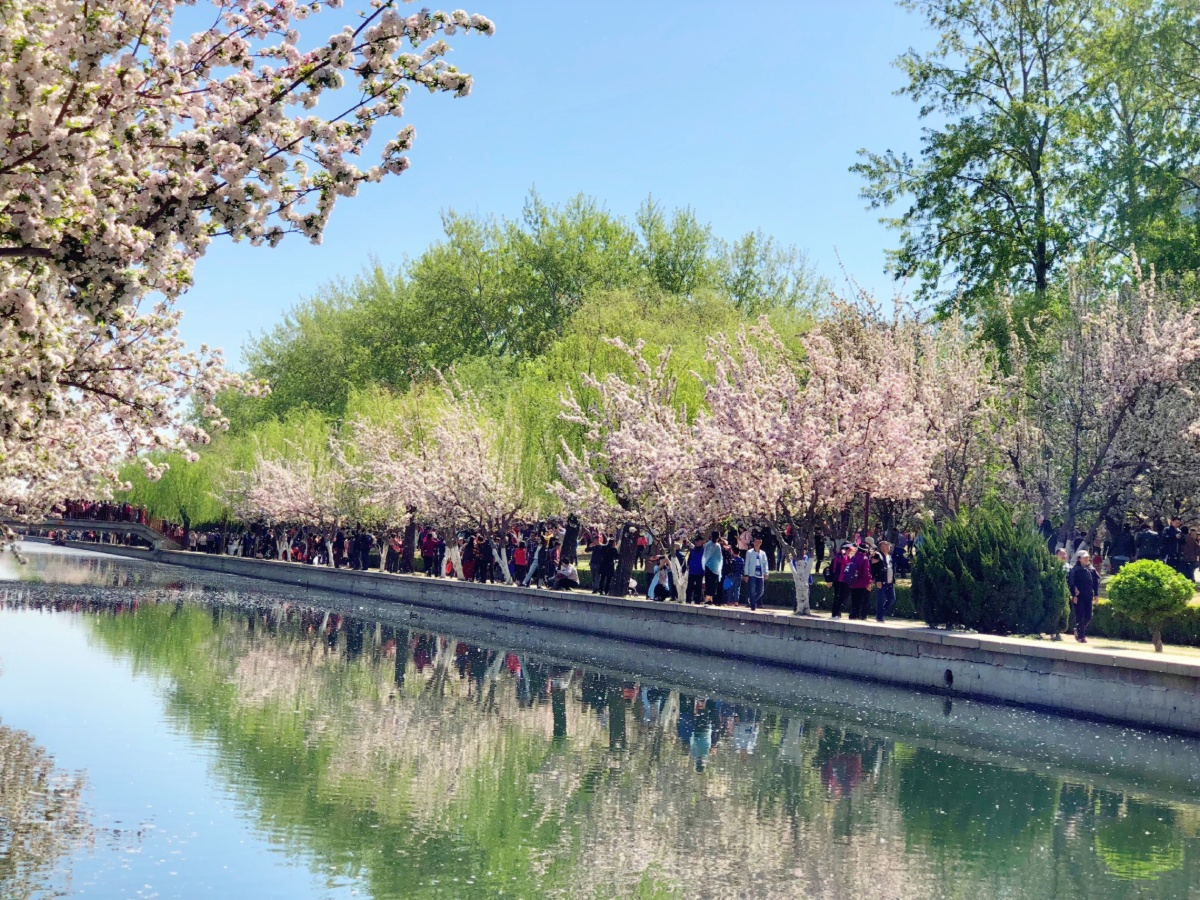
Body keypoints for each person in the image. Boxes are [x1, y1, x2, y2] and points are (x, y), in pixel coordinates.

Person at [1068, 550, 1100, 643]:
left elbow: (1095, 583)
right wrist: (1074, 595)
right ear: (1079, 559)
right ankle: (1081, 636)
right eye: (1084, 557)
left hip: (1088, 595)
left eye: (1087, 557)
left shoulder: (1091, 569)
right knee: (1080, 615)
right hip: (1079, 596)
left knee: (1089, 616)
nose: (1087, 559)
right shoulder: (1075, 570)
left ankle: (1078, 630)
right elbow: (1071, 583)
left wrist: (1096, 594)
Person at [845, 543, 873, 620]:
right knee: (862, 600)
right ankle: (861, 616)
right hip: (861, 583)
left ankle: (853, 615)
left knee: (854, 600)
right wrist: (869, 583)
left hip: (853, 582)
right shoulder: (865, 558)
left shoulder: (853, 557)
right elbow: (866, 572)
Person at [872, 540, 897, 622]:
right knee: (880, 599)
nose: (888, 546)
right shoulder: (878, 555)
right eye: (886, 545)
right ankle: (879, 617)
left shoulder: (889, 556)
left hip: (890, 582)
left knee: (892, 598)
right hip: (881, 581)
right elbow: (874, 568)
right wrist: (877, 580)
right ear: (881, 547)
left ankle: (882, 613)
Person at [744, 535, 770, 612]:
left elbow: (765, 563)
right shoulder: (749, 552)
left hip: (760, 574)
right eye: (755, 542)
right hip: (752, 574)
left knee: (760, 591)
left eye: (758, 542)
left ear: (760, 543)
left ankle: (752, 601)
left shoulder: (763, 553)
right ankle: (753, 605)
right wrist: (746, 574)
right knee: (752, 590)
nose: (756, 544)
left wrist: (766, 572)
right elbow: (747, 563)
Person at [828, 542, 851, 618]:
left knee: (844, 596)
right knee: (838, 597)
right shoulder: (839, 556)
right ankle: (835, 613)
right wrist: (843, 552)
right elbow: (843, 562)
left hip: (845, 580)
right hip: (838, 580)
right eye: (849, 549)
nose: (850, 551)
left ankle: (838, 611)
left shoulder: (847, 556)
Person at [702, 530, 723, 604]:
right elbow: (705, 555)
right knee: (709, 583)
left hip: (716, 567)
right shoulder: (708, 544)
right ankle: (708, 599)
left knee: (713, 584)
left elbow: (720, 557)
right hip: (709, 566)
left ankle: (711, 599)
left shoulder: (718, 546)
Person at [686, 536, 706, 605]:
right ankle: (688, 600)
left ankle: (698, 601)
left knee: (698, 587)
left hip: (699, 571)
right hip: (692, 571)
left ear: (702, 541)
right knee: (690, 586)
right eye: (696, 541)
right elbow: (689, 558)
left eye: (698, 541)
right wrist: (688, 565)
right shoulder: (693, 550)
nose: (696, 542)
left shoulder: (704, 550)